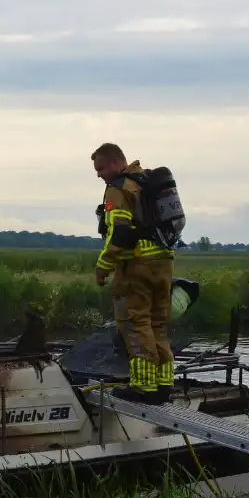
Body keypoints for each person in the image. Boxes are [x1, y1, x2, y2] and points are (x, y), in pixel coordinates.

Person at [91, 142, 176, 404]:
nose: (99, 174)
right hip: (163, 263)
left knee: (135, 324)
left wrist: (102, 267)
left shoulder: (118, 189)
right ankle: (163, 384)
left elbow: (120, 233)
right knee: (157, 325)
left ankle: (142, 386)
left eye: (101, 168)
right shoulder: (145, 183)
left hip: (135, 266)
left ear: (116, 163)